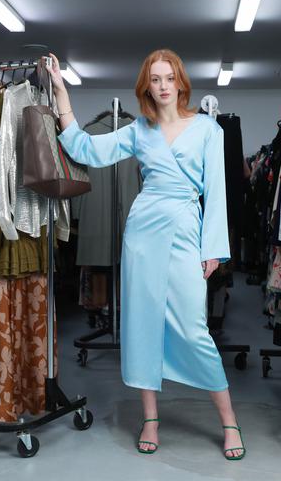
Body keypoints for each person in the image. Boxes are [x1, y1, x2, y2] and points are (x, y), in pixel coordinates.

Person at [46, 49, 245, 460]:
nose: (164, 86)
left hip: (187, 228)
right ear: (147, 88)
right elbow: (86, 150)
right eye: (155, 79)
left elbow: (217, 194)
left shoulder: (208, 129)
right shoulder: (139, 130)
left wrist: (214, 250)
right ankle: (150, 418)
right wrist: (61, 95)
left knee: (194, 329)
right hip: (143, 232)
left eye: (169, 78)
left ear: (181, 83)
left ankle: (229, 422)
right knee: (141, 324)